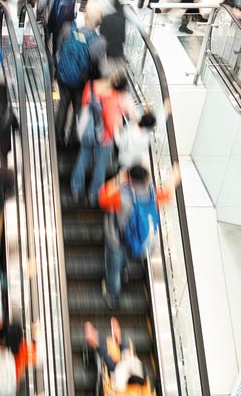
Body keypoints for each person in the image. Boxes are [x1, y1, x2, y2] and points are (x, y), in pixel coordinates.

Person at [98, 165, 180, 307]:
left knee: (113, 268)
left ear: (129, 178)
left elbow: (102, 197)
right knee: (124, 256)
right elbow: (168, 195)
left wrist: (118, 179)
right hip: (135, 240)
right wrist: (173, 178)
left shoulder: (122, 197)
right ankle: (124, 270)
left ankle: (112, 295)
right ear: (146, 179)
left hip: (116, 238)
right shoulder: (153, 194)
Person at [70, 74, 132, 205]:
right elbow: (116, 121)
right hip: (106, 137)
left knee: (82, 160)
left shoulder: (90, 85)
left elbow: (84, 105)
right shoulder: (115, 97)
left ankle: (76, 188)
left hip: (88, 132)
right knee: (100, 166)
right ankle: (94, 195)